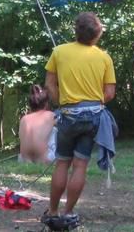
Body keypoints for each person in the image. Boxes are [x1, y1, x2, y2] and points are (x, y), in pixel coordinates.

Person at [43, 12, 116, 228]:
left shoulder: (59, 52)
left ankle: (53, 211)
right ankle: (68, 213)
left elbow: (49, 84)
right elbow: (109, 93)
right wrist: (91, 103)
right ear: (96, 34)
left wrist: (60, 104)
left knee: (63, 162)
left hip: (68, 115)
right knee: (81, 165)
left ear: (76, 30)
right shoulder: (104, 57)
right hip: (93, 117)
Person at [19, 84, 57, 164]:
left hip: (24, 160)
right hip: (45, 159)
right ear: (46, 103)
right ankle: (43, 156)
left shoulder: (24, 119)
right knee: (54, 130)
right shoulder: (50, 115)